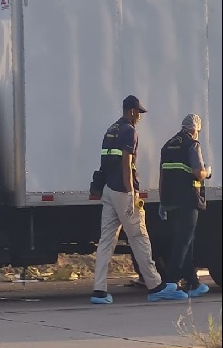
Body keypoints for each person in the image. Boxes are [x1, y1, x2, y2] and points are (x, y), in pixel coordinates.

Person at [91, 95, 188, 304]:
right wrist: (131, 194)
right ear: (132, 112)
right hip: (122, 192)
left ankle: (99, 291)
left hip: (108, 190)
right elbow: (126, 163)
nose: (140, 118)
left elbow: (106, 162)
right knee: (139, 237)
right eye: (139, 114)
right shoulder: (129, 132)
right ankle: (155, 286)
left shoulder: (111, 130)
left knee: (106, 241)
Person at [159, 114, 212, 298]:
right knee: (183, 242)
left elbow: (162, 175)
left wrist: (162, 201)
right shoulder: (192, 145)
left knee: (186, 241)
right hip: (189, 199)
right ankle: (170, 283)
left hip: (171, 200)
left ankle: (193, 283)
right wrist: (208, 172)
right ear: (194, 129)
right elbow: (198, 173)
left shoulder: (167, 145)